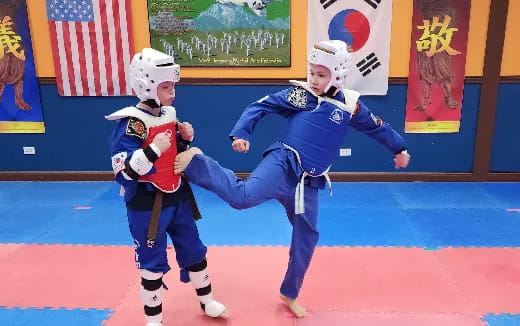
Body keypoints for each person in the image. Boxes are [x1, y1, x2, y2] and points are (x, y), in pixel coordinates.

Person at [173, 40, 411, 318]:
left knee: (307, 236)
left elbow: (375, 126)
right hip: (282, 164)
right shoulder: (302, 96)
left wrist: (399, 147)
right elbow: (260, 105)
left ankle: (290, 291)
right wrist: (242, 133)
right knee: (243, 198)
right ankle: (198, 163)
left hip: (308, 181)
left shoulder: (350, 105)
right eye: (312, 72)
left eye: (321, 75)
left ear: (338, 75)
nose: (313, 79)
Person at [105, 48, 228, 326]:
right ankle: (154, 320)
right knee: (152, 263)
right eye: (165, 87)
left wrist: (183, 139)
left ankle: (207, 301)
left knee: (195, 250)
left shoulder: (169, 114)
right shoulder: (132, 124)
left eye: (173, 86)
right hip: (147, 205)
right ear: (147, 85)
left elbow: (174, 152)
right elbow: (123, 172)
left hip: (177, 196)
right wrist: (151, 151)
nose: (172, 92)